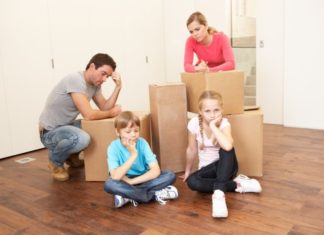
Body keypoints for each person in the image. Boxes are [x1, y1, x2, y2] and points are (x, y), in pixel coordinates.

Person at [39, 53, 122, 181]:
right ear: (92, 66)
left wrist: (118, 87)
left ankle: (71, 156)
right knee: (82, 138)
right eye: (103, 73)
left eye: (108, 76)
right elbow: (89, 115)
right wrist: (112, 113)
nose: (105, 79)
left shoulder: (95, 85)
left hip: (65, 127)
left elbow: (104, 107)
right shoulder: (75, 80)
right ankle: (55, 162)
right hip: (49, 132)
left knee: (96, 128)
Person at [181, 90, 261, 218]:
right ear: (200, 111)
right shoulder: (194, 123)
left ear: (222, 109)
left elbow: (228, 146)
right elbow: (191, 149)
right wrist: (187, 171)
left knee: (226, 148)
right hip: (208, 171)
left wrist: (213, 126)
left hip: (227, 167)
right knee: (192, 182)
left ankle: (218, 196)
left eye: (216, 110)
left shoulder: (224, 123)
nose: (212, 115)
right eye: (207, 111)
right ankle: (238, 185)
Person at [104, 111, 178, 208]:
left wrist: (132, 182)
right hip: (124, 180)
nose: (133, 135)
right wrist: (133, 155)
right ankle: (153, 195)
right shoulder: (113, 147)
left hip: (143, 178)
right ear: (118, 132)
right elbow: (116, 177)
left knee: (170, 175)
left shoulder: (142, 143)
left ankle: (128, 196)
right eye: (128, 132)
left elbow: (155, 170)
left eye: (136, 131)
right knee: (109, 184)